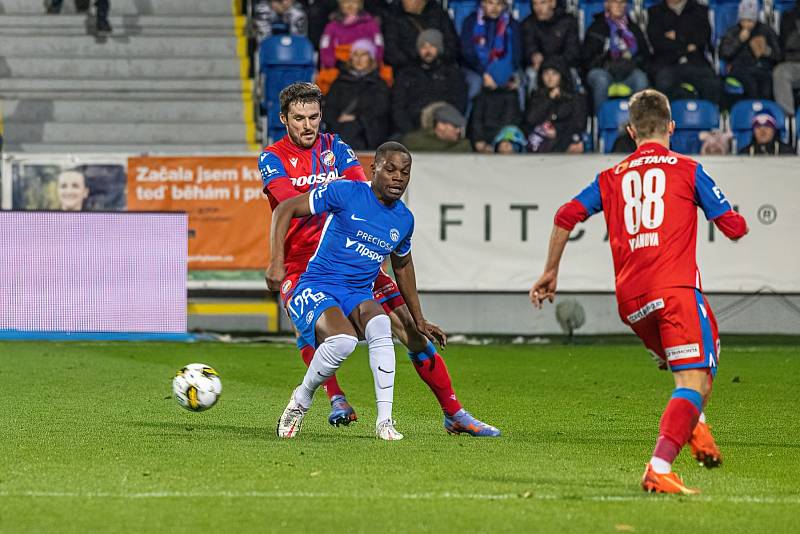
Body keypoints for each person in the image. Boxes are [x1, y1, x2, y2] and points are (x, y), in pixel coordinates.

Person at [530, 89, 749, 494]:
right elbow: (733, 228)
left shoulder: (610, 177)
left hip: (631, 302)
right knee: (694, 379)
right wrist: (736, 216)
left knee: (703, 352)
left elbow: (565, 215)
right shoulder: (687, 169)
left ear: (631, 131)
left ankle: (696, 426)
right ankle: (659, 466)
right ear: (671, 126)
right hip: (675, 291)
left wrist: (550, 272)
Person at [259, 83, 499, 436]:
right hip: (304, 261)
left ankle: (454, 413)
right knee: (320, 332)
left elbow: (365, 194)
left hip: (356, 260)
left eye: (313, 117)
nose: (307, 125)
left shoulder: (336, 147)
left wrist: (369, 239)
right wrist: (278, 259)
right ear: (284, 120)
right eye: (299, 118)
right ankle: (334, 396)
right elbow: (291, 205)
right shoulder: (273, 157)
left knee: (414, 334)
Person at [268, 142, 432, 440]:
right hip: (317, 285)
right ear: (375, 169)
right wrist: (276, 263)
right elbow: (286, 207)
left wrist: (418, 318)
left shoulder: (403, 219)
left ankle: (385, 422)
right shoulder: (346, 192)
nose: (398, 178)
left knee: (382, 325)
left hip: (358, 292)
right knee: (342, 342)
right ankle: (301, 400)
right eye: (391, 169)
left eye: (405, 172)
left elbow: (403, 266)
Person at [392, 29, 469, 136]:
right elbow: (398, 107)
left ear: (439, 48)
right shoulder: (406, 74)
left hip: (445, 129)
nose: (427, 51)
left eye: (432, 46)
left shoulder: (452, 73)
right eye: (423, 47)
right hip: (412, 129)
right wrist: (410, 132)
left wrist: (446, 125)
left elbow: (459, 103)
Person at [582, 0, 650, 112]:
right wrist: (607, 61)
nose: (619, 5)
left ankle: (636, 122)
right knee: (601, 80)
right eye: (615, 2)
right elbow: (587, 58)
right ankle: (601, 122)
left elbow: (645, 55)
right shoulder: (597, 27)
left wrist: (632, 62)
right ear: (607, 4)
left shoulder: (633, 28)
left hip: (628, 70)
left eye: (622, 2)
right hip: (603, 69)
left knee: (641, 79)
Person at [647, 0, 720, 104]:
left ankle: (708, 117)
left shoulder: (699, 10)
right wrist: (687, 45)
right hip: (667, 63)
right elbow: (658, 42)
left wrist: (677, 35)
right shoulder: (655, 12)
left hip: (695, 61)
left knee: (713, 84)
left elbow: (702, 38)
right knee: (663, 84)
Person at [323, 39, 391, 149]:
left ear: (371, 59)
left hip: (368, 131)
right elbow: (329, 108)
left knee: (352, 129)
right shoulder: (340, 82)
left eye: (364, 54)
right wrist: (337, 120)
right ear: (351, 58)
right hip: (340, 128)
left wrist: (356, 117)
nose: (359, 59)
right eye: (355, 54)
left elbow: (380, 109)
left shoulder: (378, 84)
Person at [460, 0, 523, 101]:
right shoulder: (470, 22)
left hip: (505, 69)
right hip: (475, 69)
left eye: (499, 4)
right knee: (475, 85)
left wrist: (508, 75)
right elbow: (467, 52)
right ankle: (464, 116)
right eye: (490, 3)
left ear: (504, 6)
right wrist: (483, 73)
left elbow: (516, 53)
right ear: (482, 3)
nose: (494, 8)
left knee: (519, 85)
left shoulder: (511, 24)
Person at [718, 0, 781, 101]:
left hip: (762, 67)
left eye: (750, 20)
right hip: (739, 68)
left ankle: (765, 112)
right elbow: (724, 54)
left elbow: (778, 56)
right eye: (744, 20)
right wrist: (739, 40)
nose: (747, 24)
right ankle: (751, 111)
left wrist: (766, 51)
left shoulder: (766, 30)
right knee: (750, 84)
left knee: (767, 84)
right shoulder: (733, 31)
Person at [524, 57, 586, 153]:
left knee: (576, 145)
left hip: (565, 137)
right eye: (546, 73)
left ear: (562, 76)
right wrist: (549, 99)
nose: (549, 78)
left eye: (554, 74)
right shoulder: (536, 95)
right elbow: (531, 119)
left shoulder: (575, 97)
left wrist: (557, 130)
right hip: (541, 140)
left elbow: (579, 124)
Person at [382, 0, 460, 73]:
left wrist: (436, 55)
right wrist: (419, 58)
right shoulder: (394, 15)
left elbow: (452, 44)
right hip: (409, 74)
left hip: (441, 70)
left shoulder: (439, 14)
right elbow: (391, 51)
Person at [520, 0, 581, 93]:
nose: (538, 8)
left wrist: (552, 64)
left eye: (542, 3)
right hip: (540, 68)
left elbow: (572, 53)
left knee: (573, 73)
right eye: (535, 4)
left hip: (563, 65)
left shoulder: (568, 21)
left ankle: (572, 106)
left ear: (553, 3)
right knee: (531, 74)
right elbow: (529, 49)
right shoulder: (528, 23)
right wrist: (533, 56)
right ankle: (533, 106)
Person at [319, 0, 384, 70]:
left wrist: (375, 61)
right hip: (338, 68)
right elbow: (325, 46)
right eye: (346, 2)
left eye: (354, 2)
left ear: (360, 5)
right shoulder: (331, 26)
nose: (350, 6)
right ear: (341, 5)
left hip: (365, 68)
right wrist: (330, 63)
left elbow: (379, 44)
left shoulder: (371, 25)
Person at [401, 102, 474, 152]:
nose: (458, 131)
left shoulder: (463, 146)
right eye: (455, 126)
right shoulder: (413, 142)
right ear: (441, 126)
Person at [773, 0, 800, 115]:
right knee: (780, 72)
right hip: (795, 63)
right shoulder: (789, 16)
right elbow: (784, 45)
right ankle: (788, 119)